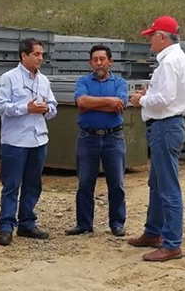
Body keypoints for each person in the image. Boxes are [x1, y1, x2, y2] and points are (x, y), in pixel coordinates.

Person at [127, 15, 185, 262]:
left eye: (151, 37)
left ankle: (172, 243)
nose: (149, 42)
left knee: (167, 187)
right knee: (157, 184)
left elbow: (165, 99)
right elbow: (168, 94)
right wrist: (150, 94)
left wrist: (141, 100)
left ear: (162, 37)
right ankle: (153, 232)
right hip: (167, 126)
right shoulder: (180, 59)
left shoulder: (168, 62)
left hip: (165, 126)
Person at [0, 38, 57, 246]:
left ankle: (27, 223)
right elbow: (0, 106)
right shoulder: (8, 78)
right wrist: (25, 108)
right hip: (15, 141)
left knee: (33, 184)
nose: (40, 58)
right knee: (11, 185)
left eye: (42, 55)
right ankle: (6, 226)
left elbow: (53, 106)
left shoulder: (44, 81)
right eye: (36, 54)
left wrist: (46, 109)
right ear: (24, 55)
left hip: (38, 139)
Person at [65, 44, 129, 237]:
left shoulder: (120, 83)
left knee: (116, 183)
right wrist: (109, 102)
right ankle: (84, 223)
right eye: (95, 59)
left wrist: (93, 104)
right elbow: (81, 104)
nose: (99, 63)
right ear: (90, 62)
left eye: (102, 59)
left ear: (110, 62)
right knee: (85, 182)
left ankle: (117, 223)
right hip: (88, 138)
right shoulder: (83, 81)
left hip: (113, 138)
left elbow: (120, 106)